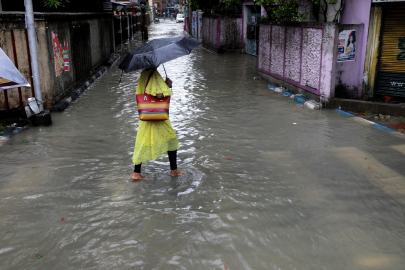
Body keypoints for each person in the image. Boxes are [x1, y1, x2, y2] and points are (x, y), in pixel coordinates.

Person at [132, 67, 184, 181]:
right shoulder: (154, 74)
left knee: (142, 143)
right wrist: (167, 85)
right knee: (172, 140)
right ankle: (174, 170)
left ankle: (136, 173)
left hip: (146, 116)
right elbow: (159, 95)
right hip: (157, 116)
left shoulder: (144, 73)